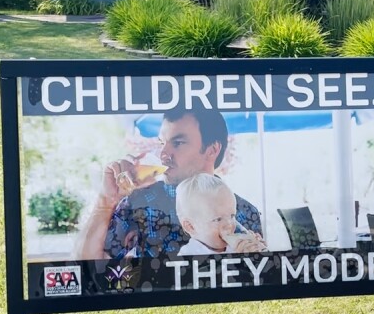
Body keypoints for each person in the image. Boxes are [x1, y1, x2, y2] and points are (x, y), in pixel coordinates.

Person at [76, 108, 263, 260]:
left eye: (178, 142)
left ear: (212, 149)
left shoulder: (246, 213)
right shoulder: (137, 203)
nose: (163, 154)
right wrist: (105, 202)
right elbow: (87, 270)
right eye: (162, 143)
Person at [174, 173, 267, 256]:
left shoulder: (235, 247)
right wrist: (240, 261)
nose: (229, 225)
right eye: (218, 219)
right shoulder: (188, 257)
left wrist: (258, 255)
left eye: (232, 216)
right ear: (190, 226)